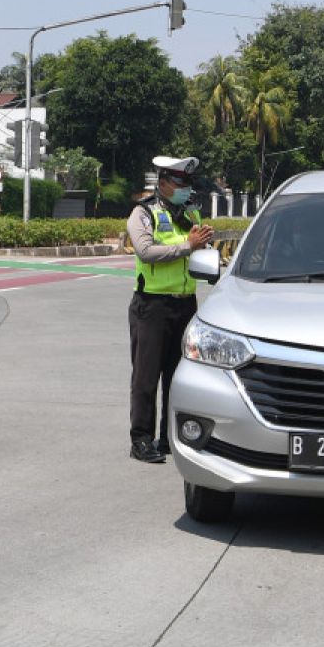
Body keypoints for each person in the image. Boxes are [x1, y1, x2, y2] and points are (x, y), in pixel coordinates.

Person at [126, 156, 214, 464]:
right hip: (152, 305)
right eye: (179, 183)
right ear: (162, 183)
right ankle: (141, 439)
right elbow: (146, 252)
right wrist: (189, 246)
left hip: (185, 303)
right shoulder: (143, 212)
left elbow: (193, 252)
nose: (185, 189)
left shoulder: (189, 213)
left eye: (188, 184)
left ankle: (169, 437)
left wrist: (205, 250)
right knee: (147, 378)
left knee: (178, 378)